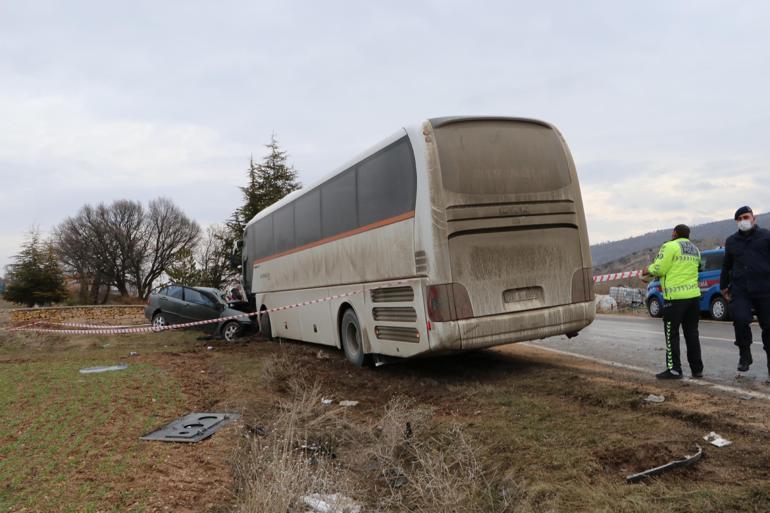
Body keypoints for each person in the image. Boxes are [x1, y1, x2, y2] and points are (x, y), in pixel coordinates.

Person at [643, 224, 704, 379]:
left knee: (672, 335)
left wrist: (647, 270)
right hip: (693, 297)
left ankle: (674, 370)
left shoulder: (669, 246)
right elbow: (698, 269)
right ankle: (697, 369)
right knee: (692, 334)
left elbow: (660, 269)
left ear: (675, 233)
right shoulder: (695, 250)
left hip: (675, 299)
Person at [719, 206, 770, 375]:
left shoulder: (766, 236)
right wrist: (723, 286)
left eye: (746, 217)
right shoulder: (731, 241)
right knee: (740, 320)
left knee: (768, 327)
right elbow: (726, 266)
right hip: (741, 289)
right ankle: (745, 354)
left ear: (753, 218)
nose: (743, 221)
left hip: (765, 288)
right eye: (739, 219)